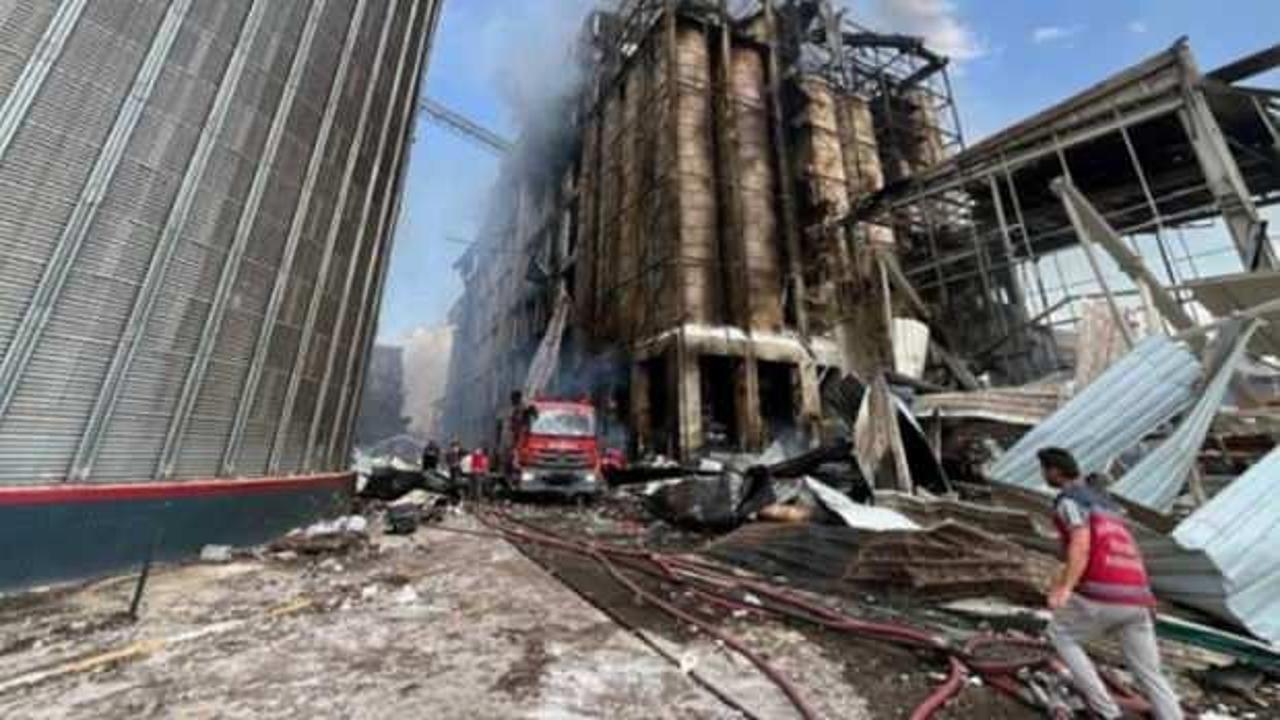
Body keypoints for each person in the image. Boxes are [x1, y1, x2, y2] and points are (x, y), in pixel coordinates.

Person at [1038, 447, 1182, 720]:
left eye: (1044, 470)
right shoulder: (1108, 506)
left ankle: (1108, 712)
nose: (1043, 475)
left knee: (1061, 635)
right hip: (1138, 597)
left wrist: (1066, 589)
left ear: (1054, 471)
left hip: (1102, 593)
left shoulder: (1069, 501)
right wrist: (1059, 582)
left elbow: (1081, 545)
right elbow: (1126, 549)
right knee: (1150, 673)